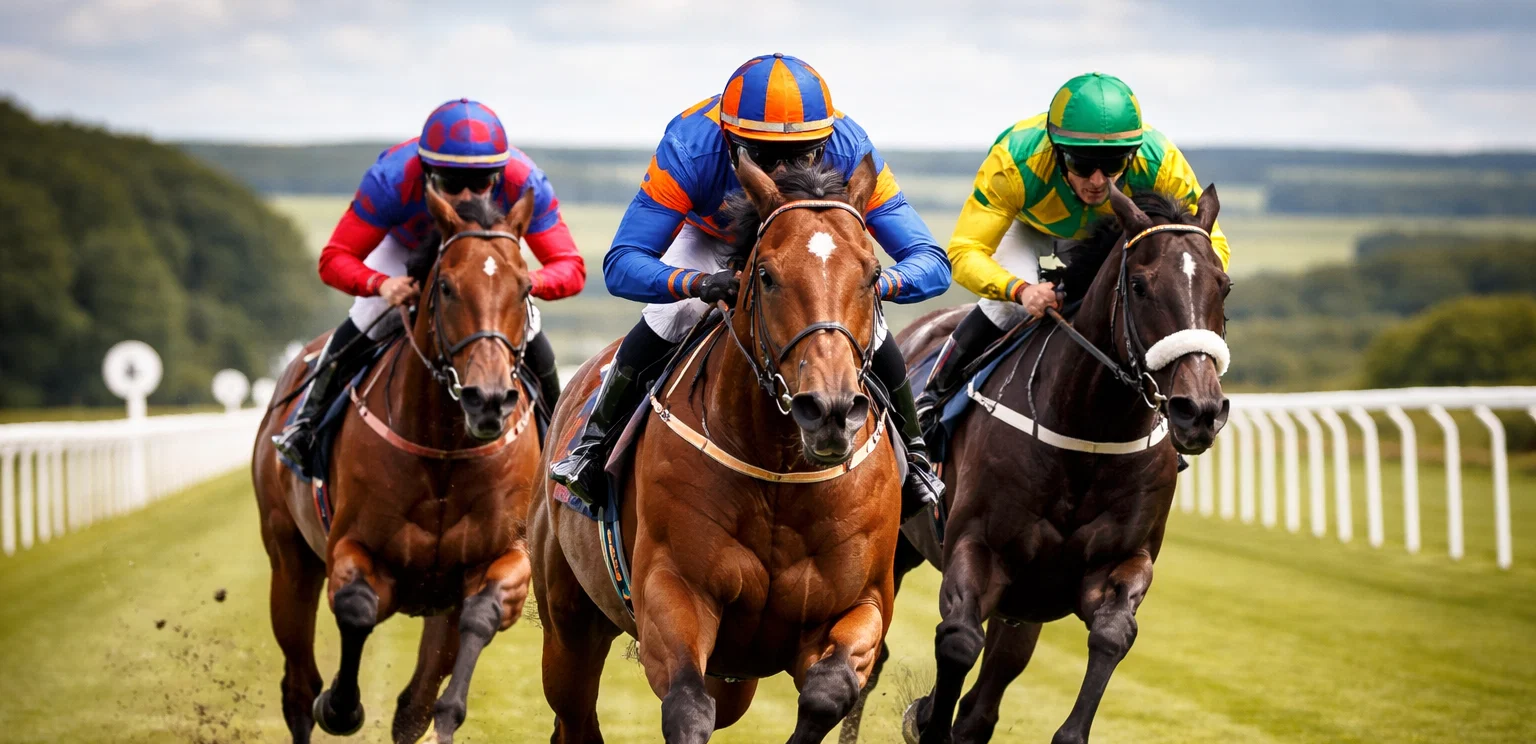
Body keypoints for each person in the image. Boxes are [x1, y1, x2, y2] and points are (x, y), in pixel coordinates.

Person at [550, 54, 951, 518]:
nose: (780, 173)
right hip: (710, 237)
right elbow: (622, 264)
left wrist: (868, 288)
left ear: (824, 142)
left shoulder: (848, 146)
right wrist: (699, 283)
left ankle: (916, 457)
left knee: (867, 326)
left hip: (802, 243)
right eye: (761, 156)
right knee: (672, 313)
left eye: (801, 156)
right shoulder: (688, 147)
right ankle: (592, 448)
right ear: (728, 139)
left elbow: (931, 262)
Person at [273, 98, 584, 475]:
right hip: (404, 250)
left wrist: (520, 283)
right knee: (369, 314)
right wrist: (381, 284)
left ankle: (562, 445)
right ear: (427, 173)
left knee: (530, 331)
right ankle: (305, 427)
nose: (468, 197)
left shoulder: (526, 181)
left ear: (499, 176)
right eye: (453, 184)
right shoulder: (390, 180)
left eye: (482, 183)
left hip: (483, 262)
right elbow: (335, 258)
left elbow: (570, 267)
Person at [916, 72, 1231, 429]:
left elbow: (1209, 244)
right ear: (1057, 150)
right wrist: (1021, 291)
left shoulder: (1160, 162)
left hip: (1110, 235)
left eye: (1113, 164)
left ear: (1132, 153)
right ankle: (933, 398)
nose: (1098, 180)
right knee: (1007, 308)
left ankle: (1158, 407)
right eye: (1082, 164)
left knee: (1134, 300)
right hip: (1028, 228)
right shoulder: (1015, 161)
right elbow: (964, 251)